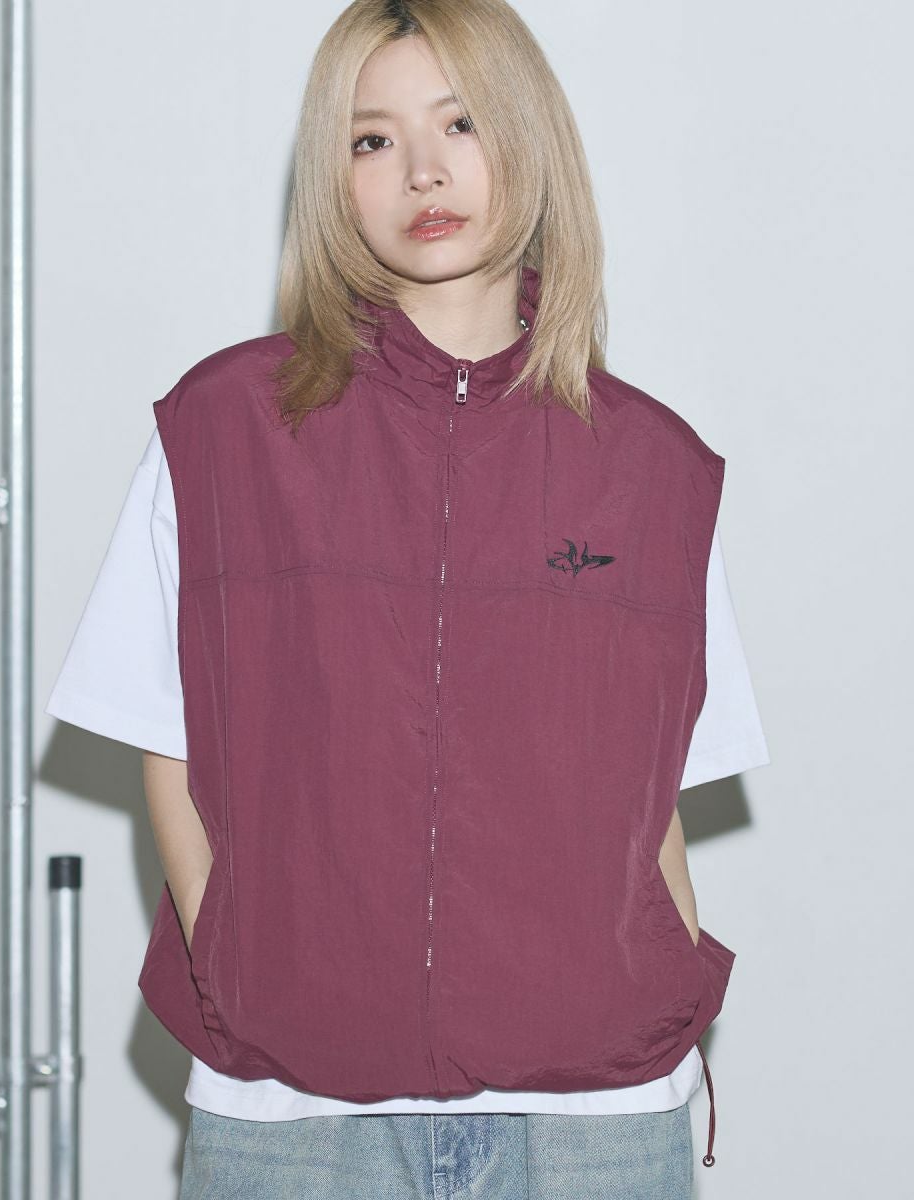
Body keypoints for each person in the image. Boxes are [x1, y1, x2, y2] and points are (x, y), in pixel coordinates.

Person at [45, 1, 770, 1196]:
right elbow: (163, 745)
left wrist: (662, 996)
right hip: (292, 1113)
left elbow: (656, 808)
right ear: (330, 177)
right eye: (370, 139)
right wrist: (241, 976)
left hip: (596, 1117)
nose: (422, 170)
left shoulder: (652, 468)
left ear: (529, 138)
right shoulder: (221, 433)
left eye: (460, 122)